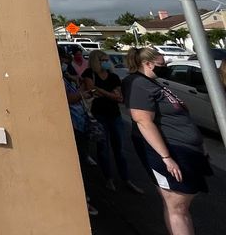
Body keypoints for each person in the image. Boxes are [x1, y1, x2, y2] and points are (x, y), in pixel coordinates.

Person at [123, 47, 213, 235]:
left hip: (185, 149)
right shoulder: (138, 84)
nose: (165, 67)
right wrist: (166, 157)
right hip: (171, 150)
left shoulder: (153, 83)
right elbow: (143, 121)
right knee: (177, 206)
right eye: (161, 64)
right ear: (147, 64)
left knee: (181, 205)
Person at [81, 50, 143, 193]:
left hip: (114, 115)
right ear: (97, 61)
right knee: (103, 149)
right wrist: (105, 93)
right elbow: (91, 91)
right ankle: (108, 179)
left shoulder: (114, 76)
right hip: (98, 116)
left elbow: (119, 98)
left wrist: (99, 90)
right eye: (104, 59)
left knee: (119, 149)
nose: (107, 62)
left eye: (107, 59)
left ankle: (126, 178)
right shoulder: (89, 74)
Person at [58, 48, 98, 216]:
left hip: (78, 124)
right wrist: (83, 94)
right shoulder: (61, 78)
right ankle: (81, 198)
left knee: (78, 162)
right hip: (73, 125)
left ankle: (83, 197)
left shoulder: (64, 77)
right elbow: (68, 98)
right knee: (75, 164)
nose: (64, 63)